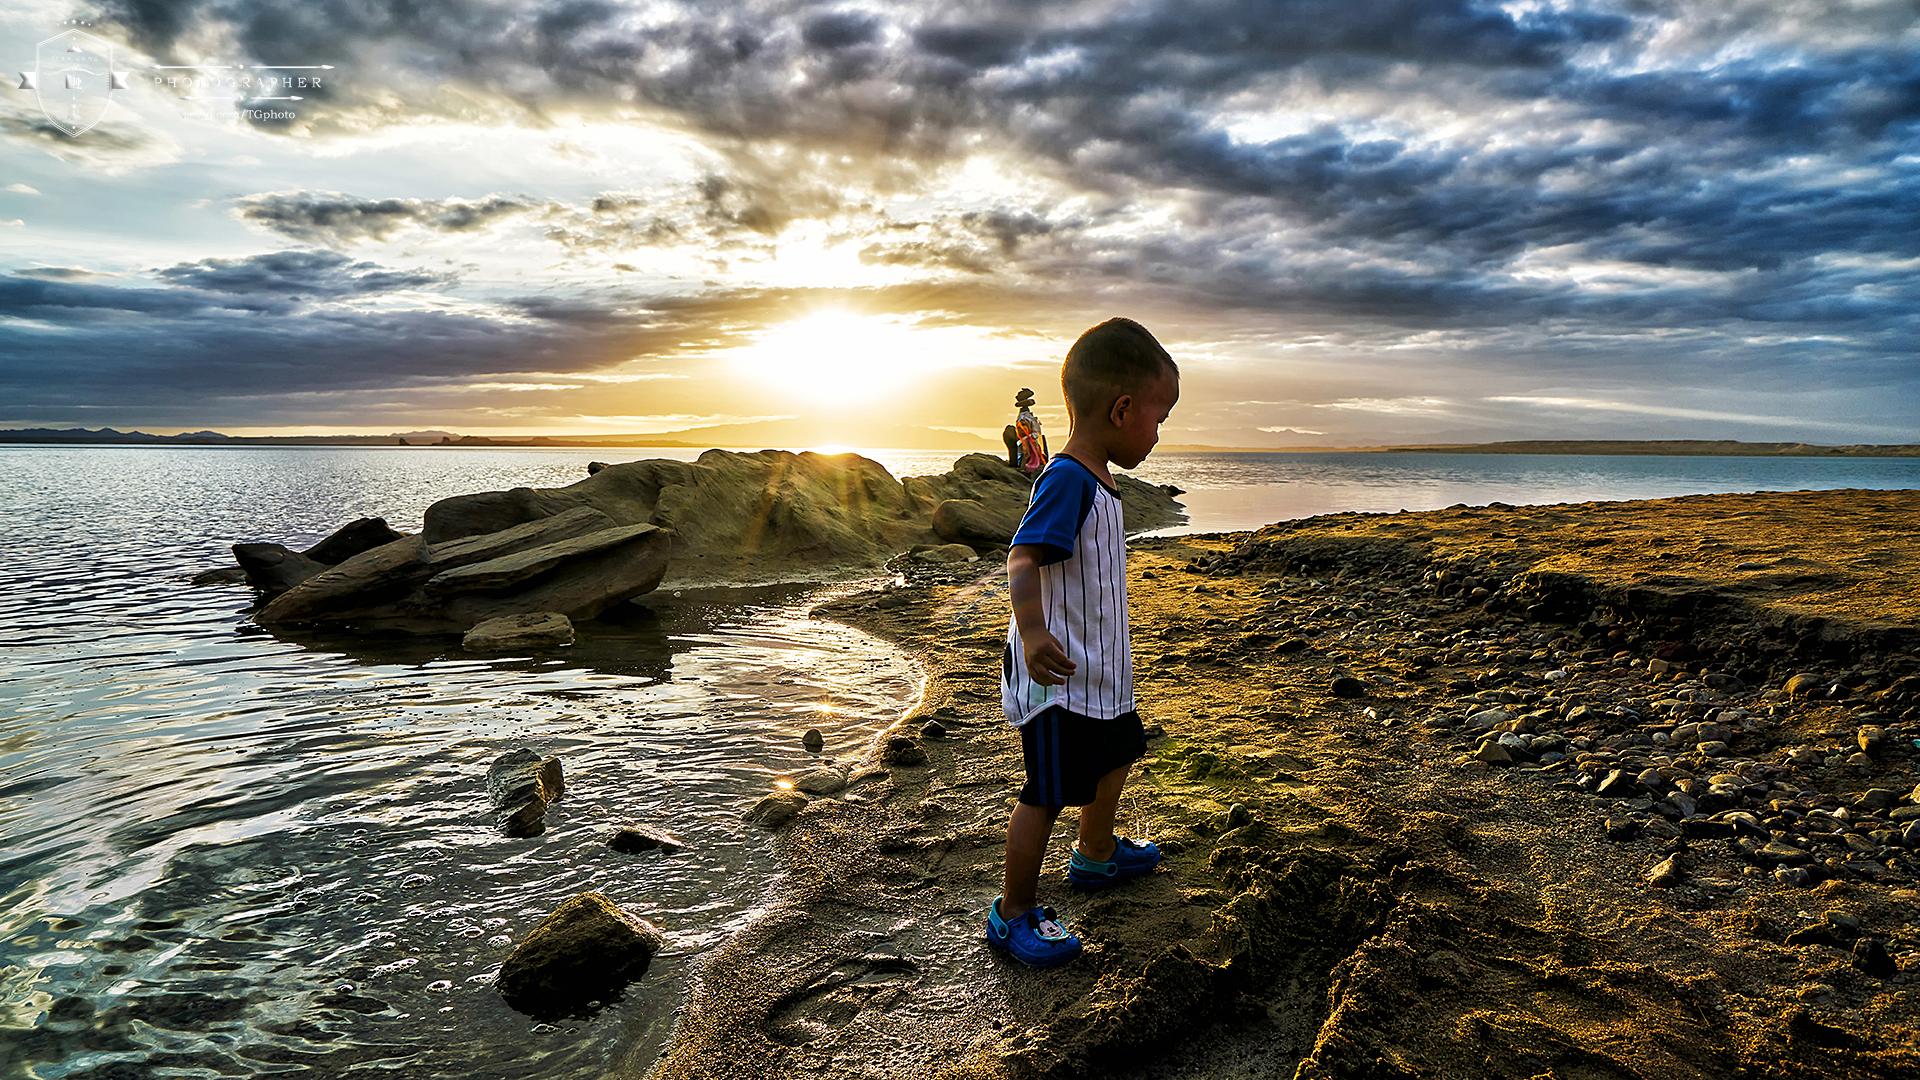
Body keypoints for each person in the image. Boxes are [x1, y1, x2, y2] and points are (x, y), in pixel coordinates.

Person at [986, 317, 1180, 967]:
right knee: (1046, 789)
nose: (1157, 434)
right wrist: (1034, 631)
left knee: (1118, 750)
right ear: (1122, 409)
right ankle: (1012, 912)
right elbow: (1022, 557)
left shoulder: (1100, 478)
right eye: (1158, 418)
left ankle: (1095, 855)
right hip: (1057, 676)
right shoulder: (1067, 478)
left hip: (1097, 670)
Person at [1014, 387, 1048, 474]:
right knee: (1028, 453)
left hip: (1030, 438)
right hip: (1028, 439)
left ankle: (1030, 465)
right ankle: (1028, 466)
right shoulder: (1024, 417)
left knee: (1032, 452)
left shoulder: (1024, 416)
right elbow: (1023, 429)